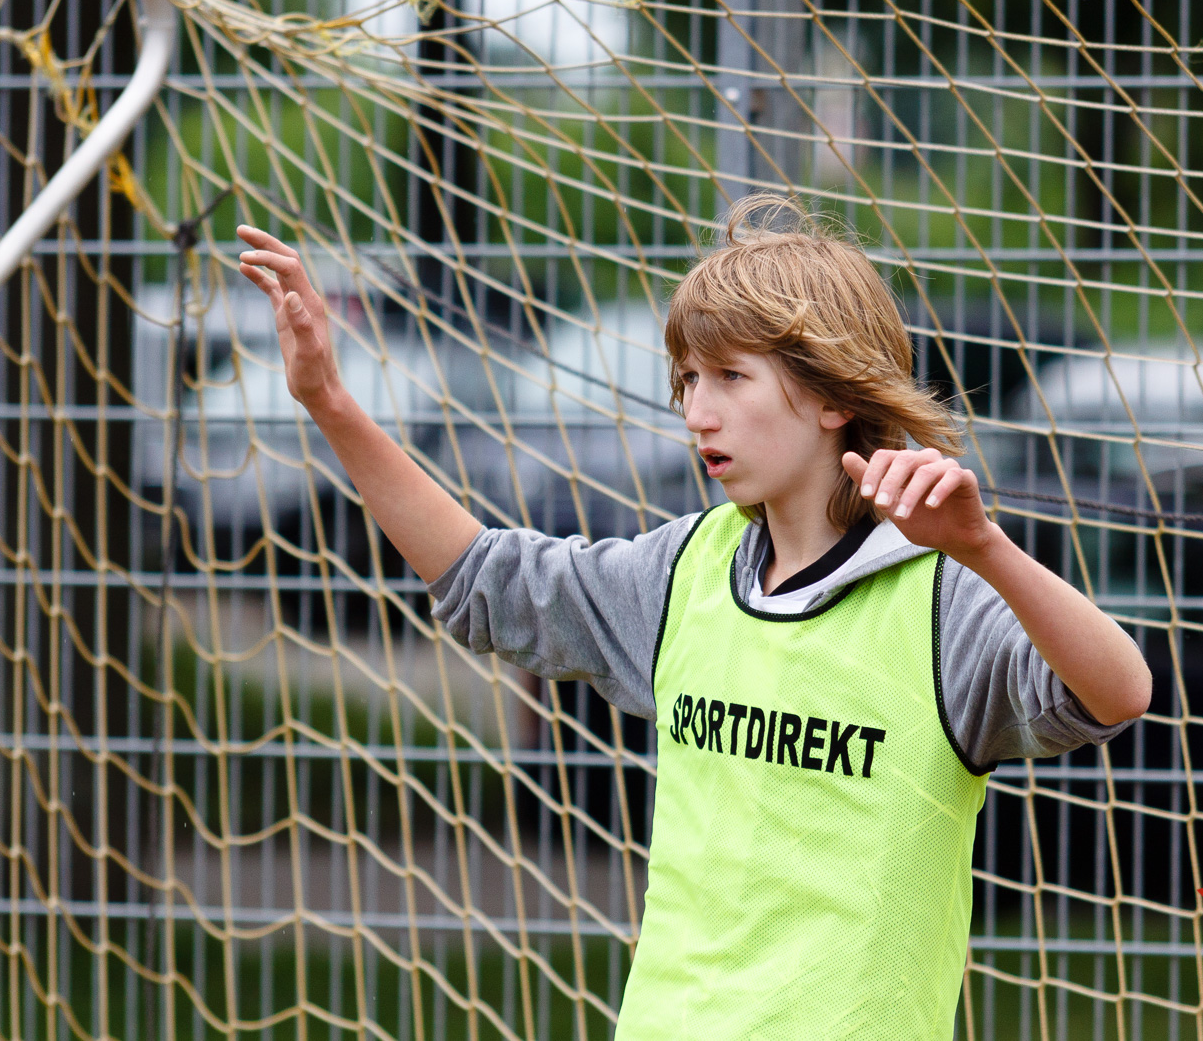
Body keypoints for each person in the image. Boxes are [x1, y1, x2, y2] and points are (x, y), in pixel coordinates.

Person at [235, 193, 1151, 1039]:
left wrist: (984, 545)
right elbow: (486, 579)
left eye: (728, 376)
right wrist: (330, 401)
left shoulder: (941, 594)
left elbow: (1118, 691)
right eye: (685, 382)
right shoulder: (686, 570)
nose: (698, 411)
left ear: (834, 393)